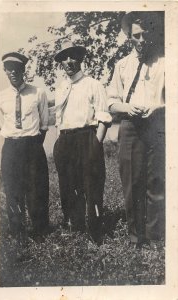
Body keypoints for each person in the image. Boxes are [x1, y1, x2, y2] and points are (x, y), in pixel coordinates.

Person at [107, 12, 165, 248]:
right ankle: (135, 236)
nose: (142, 40)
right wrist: (128, 108)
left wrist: (157, 108)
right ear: (129, 37)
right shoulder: (122, 65)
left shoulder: (164, 62)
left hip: (157, 124)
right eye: (136, 36)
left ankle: (154, 236)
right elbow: (110, 102)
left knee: (156, 181)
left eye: (145, 34)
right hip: (130, 126)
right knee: (132, 182)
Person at [52, 39, 112, 244]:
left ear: (80, 58)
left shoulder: (93, 84)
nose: (69, 61)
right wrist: (59, 141)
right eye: (64, 58)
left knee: (92, 185)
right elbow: (58, 118)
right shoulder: (61, 88)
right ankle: (75, 229)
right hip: (65, 140)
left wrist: (96, 144)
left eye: (72, 56)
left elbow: (104, 117)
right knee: (69, 185)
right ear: (61, 63)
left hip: (87, 138)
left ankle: (96, 233)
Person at [0, 52, 50, 243]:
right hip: (11, 146)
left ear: (23, 70)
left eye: (17, 68)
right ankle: (18, 233)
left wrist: (33, 145)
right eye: (9, 69)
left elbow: (44, 125)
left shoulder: (38, 92)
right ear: (5, 71)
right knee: (13, 190)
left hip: (32, 145)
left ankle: (40, 232)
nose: (13, 72)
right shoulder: (0, 97)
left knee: (37, 189)